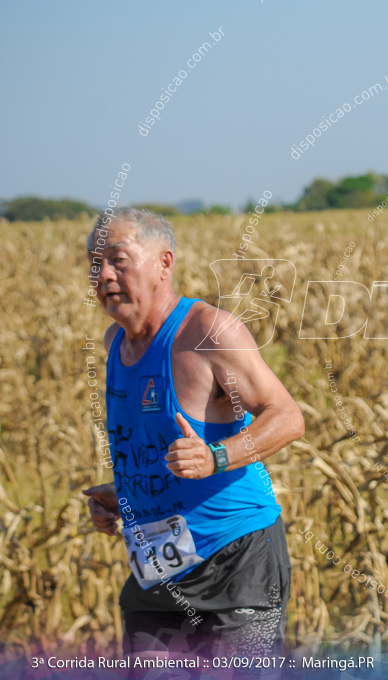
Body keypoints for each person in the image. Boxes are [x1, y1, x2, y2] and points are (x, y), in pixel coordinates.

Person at [82, 208, 304, 675]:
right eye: (94, 264)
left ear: (165, 263)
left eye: (118, 260)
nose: (103, 275)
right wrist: (125, 495)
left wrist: (216, 456)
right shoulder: (115, 343)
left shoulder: (207, 333)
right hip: (157, 569)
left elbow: (286, 416)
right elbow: (155, 443)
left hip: (236, 558)